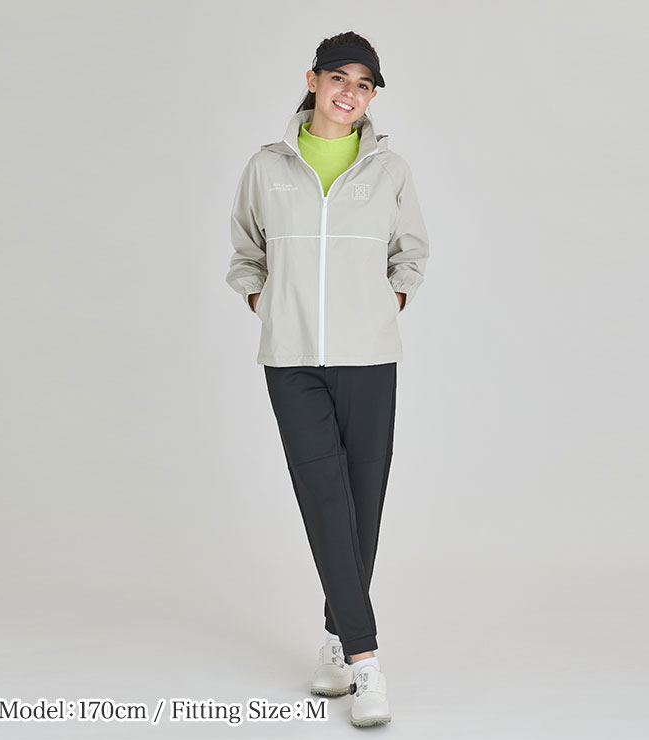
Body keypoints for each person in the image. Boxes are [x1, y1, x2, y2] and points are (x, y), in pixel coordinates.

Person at [225, 31, 429, 728]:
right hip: (291, 361)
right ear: (313, 80)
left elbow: (411, 252)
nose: (351, 93)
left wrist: (387, 302)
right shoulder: (267, 167)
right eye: (340, 77)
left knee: (362, 506)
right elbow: (246, 251)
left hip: (368, 359)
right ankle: (367, 663)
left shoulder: (389, 169)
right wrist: (263, 302)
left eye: (364, 84)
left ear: (371, 97)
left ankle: (337, 640)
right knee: (322, 499)